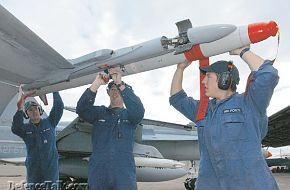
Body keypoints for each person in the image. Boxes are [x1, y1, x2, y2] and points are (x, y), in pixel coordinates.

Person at [169, 46, 279, 190]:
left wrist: (242, 51)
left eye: (208, 77)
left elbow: (268, 74)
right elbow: (177, 99)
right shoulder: (203, 109)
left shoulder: (249, 103)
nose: (203, 82)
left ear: (224, 80)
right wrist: (180, 69)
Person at [76, 68, 145, 190]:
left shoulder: (130, 116)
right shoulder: (99, 113)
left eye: (118, 89)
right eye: (112, 89)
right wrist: (96, 83)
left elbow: (139, 111)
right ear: (108, 93)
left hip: (124, 174)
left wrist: (120, 83)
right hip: (99, 173)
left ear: (124, 93)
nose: (115, 91)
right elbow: (81, 109)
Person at [12, 88, 64, 190]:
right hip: (34, 171)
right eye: (30, 110)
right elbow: (15, 128)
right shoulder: (25, 129)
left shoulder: (50, 122)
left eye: (35, 108)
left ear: (39, 110)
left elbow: (59, 107)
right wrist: (19, 108)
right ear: (26, 114)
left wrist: (55, 90)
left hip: (50, 170)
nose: (34, 111)